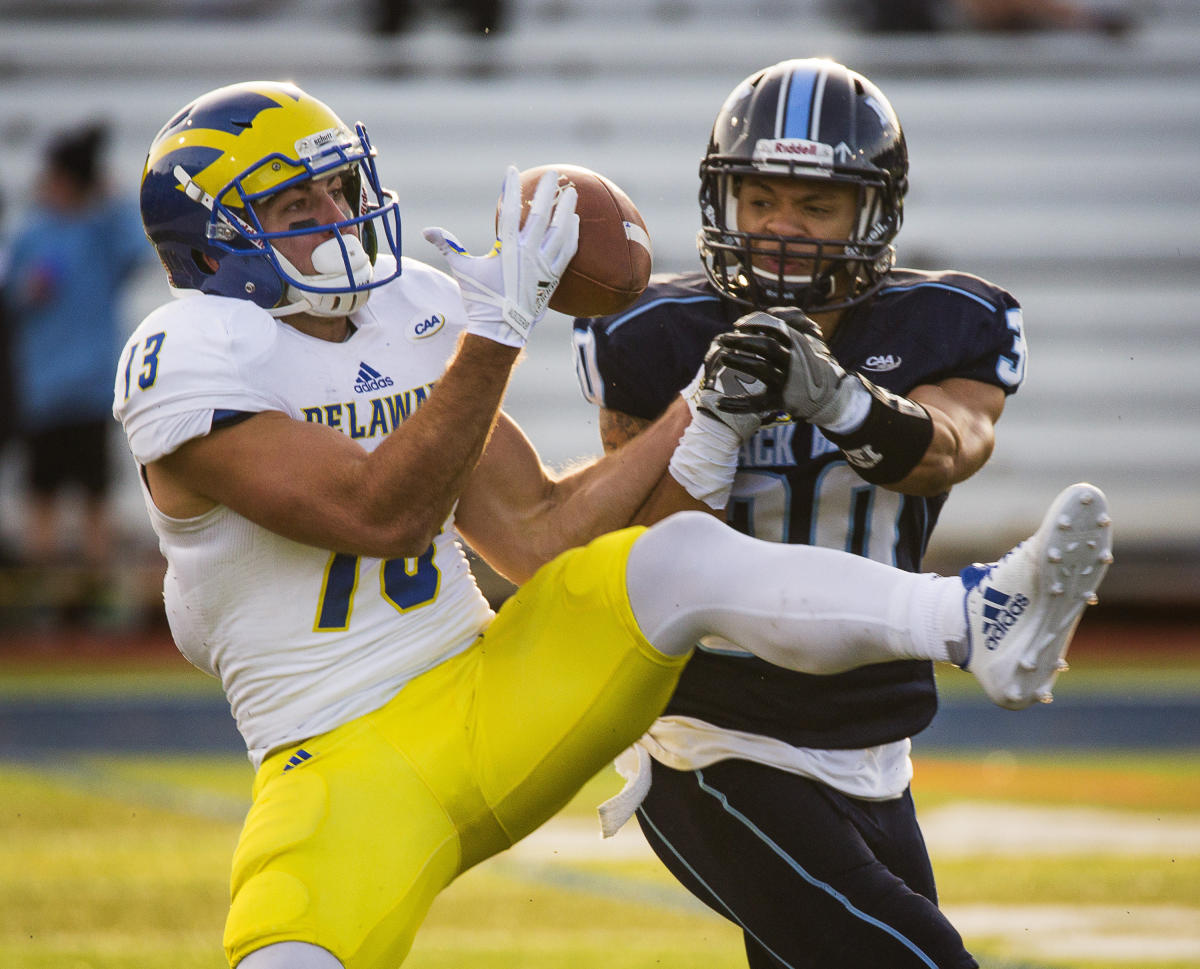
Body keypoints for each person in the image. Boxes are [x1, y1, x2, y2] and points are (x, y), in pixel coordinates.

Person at [114, 80, 1111, 969]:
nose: (340, 218)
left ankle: (974, 617)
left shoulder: (405, 311)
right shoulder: (190, 352)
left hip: (491, 691)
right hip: (339, 754)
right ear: (215, 245)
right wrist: (496, 337)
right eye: (299, 205)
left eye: (342, 187)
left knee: (671, 556)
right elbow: (384, 513)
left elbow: (544, 538)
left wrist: (702, 411)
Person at [573, 57, 1064, 968]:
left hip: (874, 737)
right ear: (724, 201)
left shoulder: (945, 321)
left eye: (815, 206)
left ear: (872, 214)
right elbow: (646, 553)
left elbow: (951, 450)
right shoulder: (653, 335)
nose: (781, 232)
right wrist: (711, 419)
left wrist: (843, 404)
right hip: (713, 740)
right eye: (759, 200)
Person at [3, 122, 148, 621]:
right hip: (44, 390)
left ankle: (94, 601)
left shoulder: (100, 227)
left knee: (95, 501)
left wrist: (110, 194)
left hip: (89, 391)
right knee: (41, 499)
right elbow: (11, 297)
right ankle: (41, 602)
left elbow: (138, 250)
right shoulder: (33, 233)